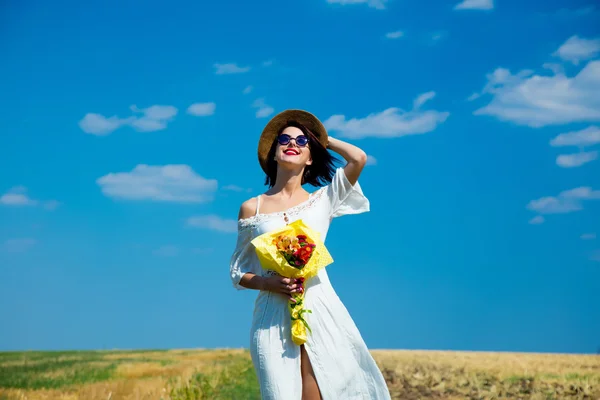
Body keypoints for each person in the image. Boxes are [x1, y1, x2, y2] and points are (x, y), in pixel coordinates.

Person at [230, 109, 391, 399]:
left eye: (302, 141)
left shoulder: (324, 199)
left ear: (311, 156)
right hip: (272, 315)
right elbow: (237, 272)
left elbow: (358, 159)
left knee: (320, 391)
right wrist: (268, 283)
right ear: (274, 153)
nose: (292, 143)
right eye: (285, 139)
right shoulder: (250, 208)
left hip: (319, 308)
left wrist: (322, 139)